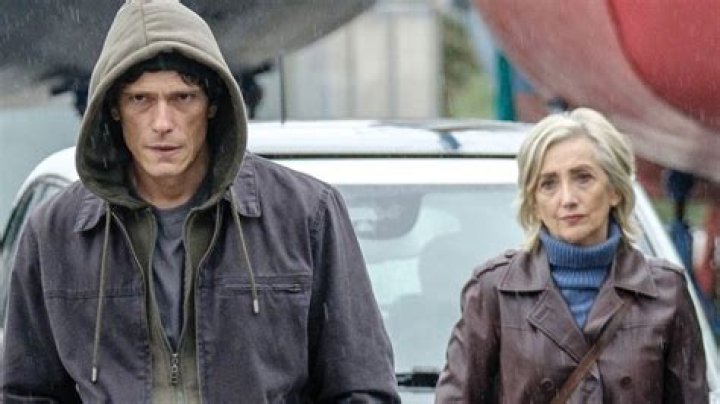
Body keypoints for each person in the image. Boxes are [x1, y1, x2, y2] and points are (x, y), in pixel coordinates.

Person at [2, 1, 399, 402]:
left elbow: (362, 387)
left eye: (183, 97)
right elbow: (26, 394)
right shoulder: (56, 233)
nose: (162, 123)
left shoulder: (305, 215)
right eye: (140, 99)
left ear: (212, 103)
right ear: (115, 109)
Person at [435, 108, 708, 403]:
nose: (567, 199)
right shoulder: (494, 292)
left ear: (615, 190)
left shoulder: (665, 290)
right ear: (534, 201)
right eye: (548, 184)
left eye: (583, 178)